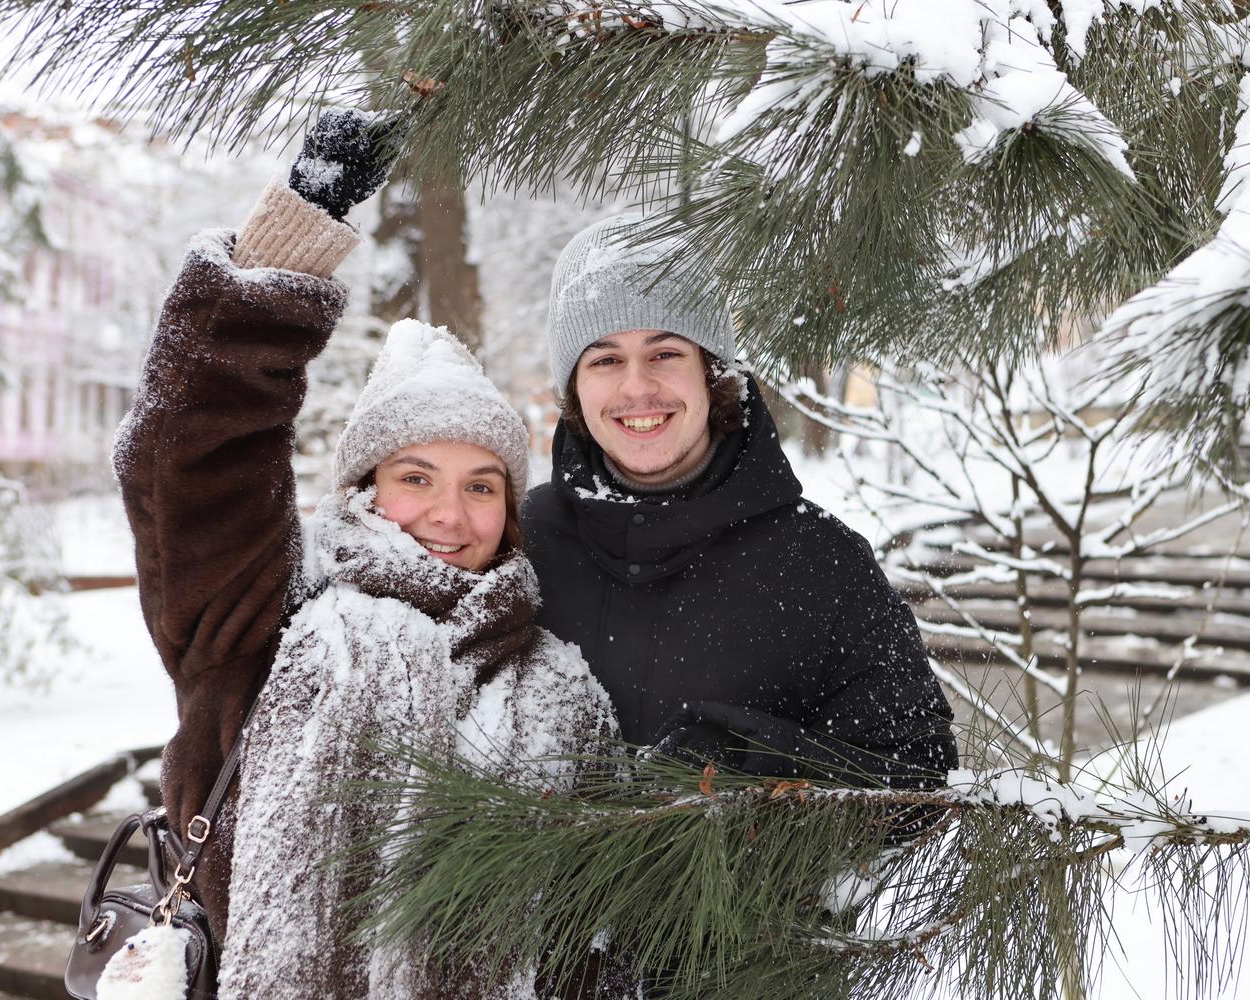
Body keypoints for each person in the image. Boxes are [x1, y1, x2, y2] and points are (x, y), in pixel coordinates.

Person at [114, 112, 622, 997]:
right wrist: (284, 258)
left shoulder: (557, 684)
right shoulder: (269, 623)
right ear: (364, 490)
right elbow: (188, 459)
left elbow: (594, 930)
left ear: (511, 508)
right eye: (416, 476)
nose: (448, 514)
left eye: (481, 484)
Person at [522, 216, 960, 787]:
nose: (636, 388)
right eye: (604, 360)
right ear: (575, 387)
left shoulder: (821, 562)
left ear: (712, 372)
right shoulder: (521, 537)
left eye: (666, 353)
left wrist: (756, 767)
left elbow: (918, 774)